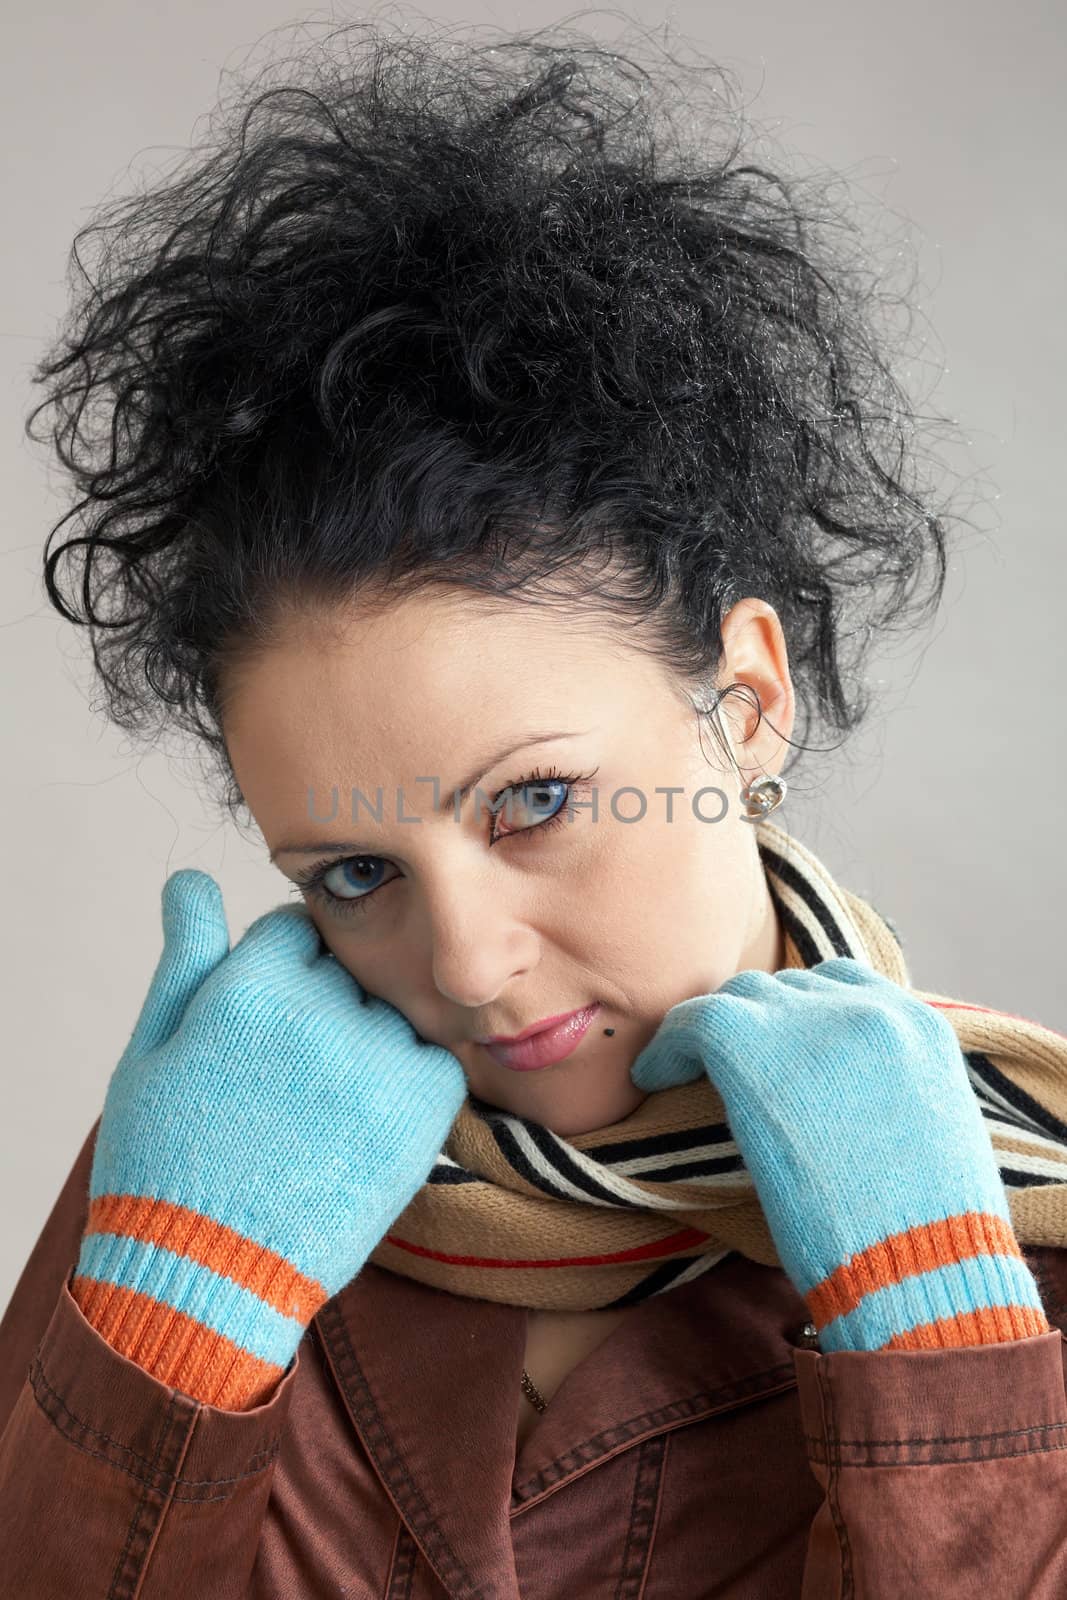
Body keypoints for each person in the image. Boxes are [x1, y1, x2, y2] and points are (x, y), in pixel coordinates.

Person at [3, 17, 1067, 1596]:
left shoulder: (1016, 1216)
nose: (469, 963)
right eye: (356, 866)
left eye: (537, 802)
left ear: (748, 702)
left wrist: (933, 1336)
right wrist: (171, 1340)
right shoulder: (201, 1183)